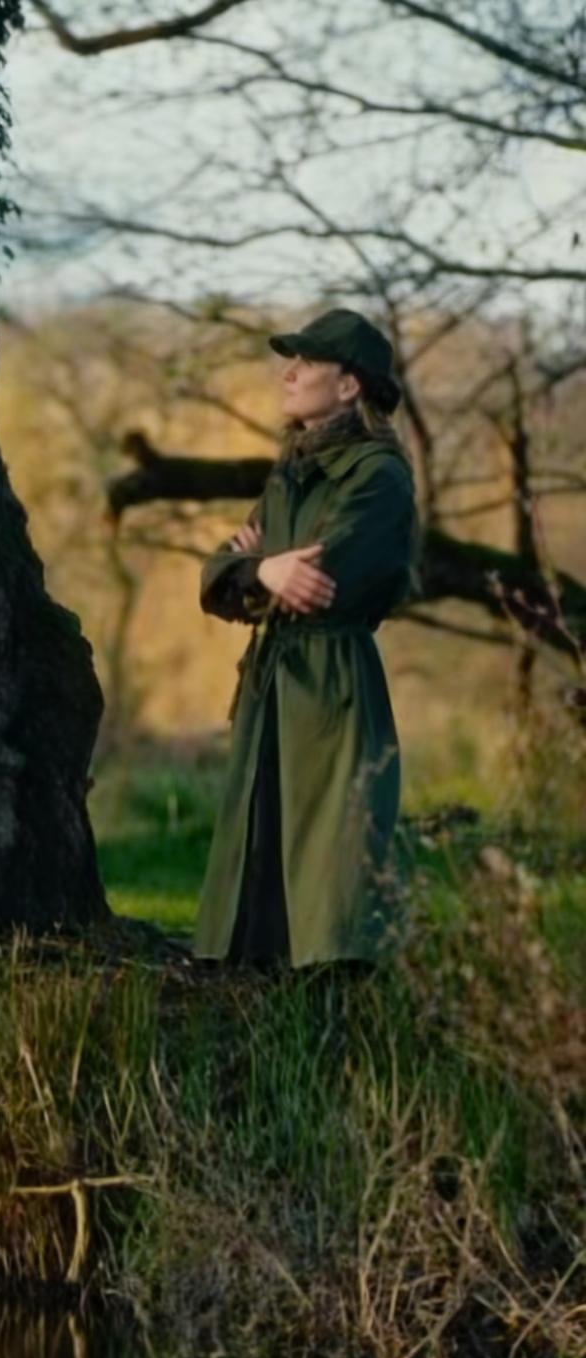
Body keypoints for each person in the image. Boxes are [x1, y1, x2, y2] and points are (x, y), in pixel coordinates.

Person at [192, 308, 418, 970]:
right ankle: (262, 1002)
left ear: (349, 385)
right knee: (260, 853)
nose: (288, 374)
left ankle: (333, 1025)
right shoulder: (288, 472)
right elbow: (219, 576)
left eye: (306, 363)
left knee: (328, 873)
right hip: (275, 683)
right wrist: (261, 568)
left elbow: (319, 577)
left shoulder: (379, 478)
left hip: (331, 689)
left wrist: (263, 569)